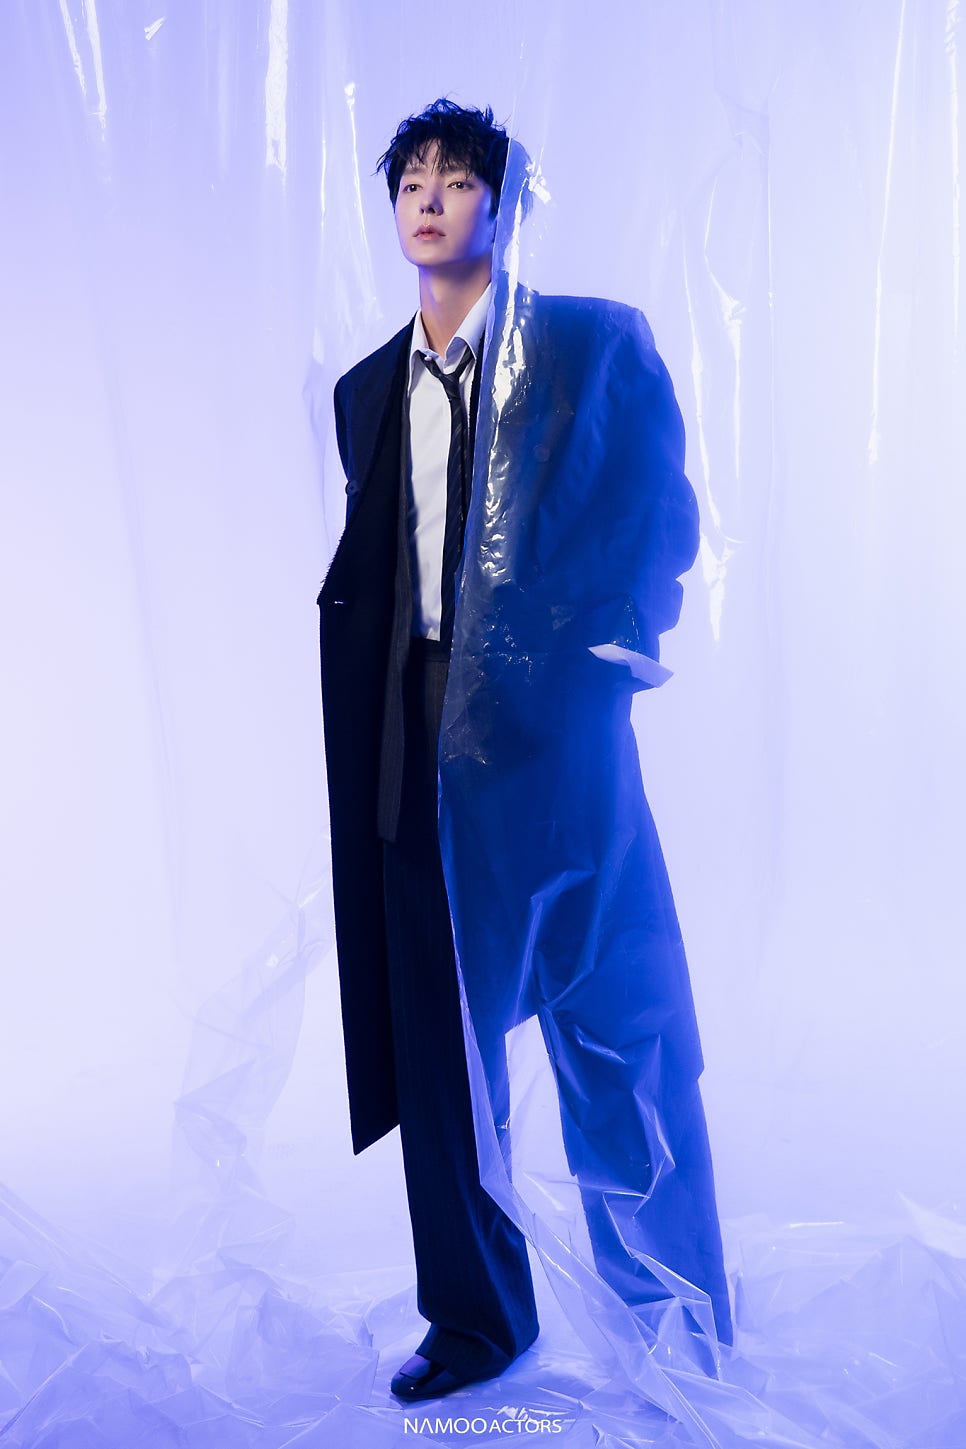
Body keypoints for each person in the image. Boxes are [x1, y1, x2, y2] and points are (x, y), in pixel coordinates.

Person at [317, 99, 730, 1405]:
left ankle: (675, 1317)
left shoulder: (588, 344)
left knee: (618, 1022)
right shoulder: (365, 390)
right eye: (411, 182)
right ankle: (478, 1321)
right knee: (443, 1060)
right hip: (414, 749)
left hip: (558, 744)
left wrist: (597, 663)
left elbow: (658, 513)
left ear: (502, 202)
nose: (430, 199)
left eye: (456, 178)